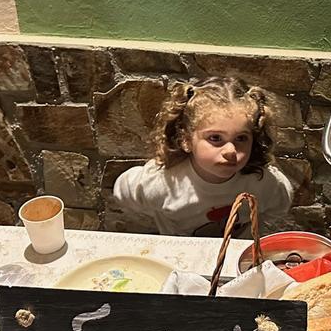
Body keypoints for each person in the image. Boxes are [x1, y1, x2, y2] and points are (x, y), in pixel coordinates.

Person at [112, 77, 294, 235]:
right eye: (215, 138)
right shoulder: (163, 181)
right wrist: (156, 221)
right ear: (186, 140)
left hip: (236, 257)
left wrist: (256, 228)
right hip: (180, 258)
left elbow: (280, 203)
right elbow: (123, 192)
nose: (231, 150)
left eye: (241, 138)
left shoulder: (262, 181)